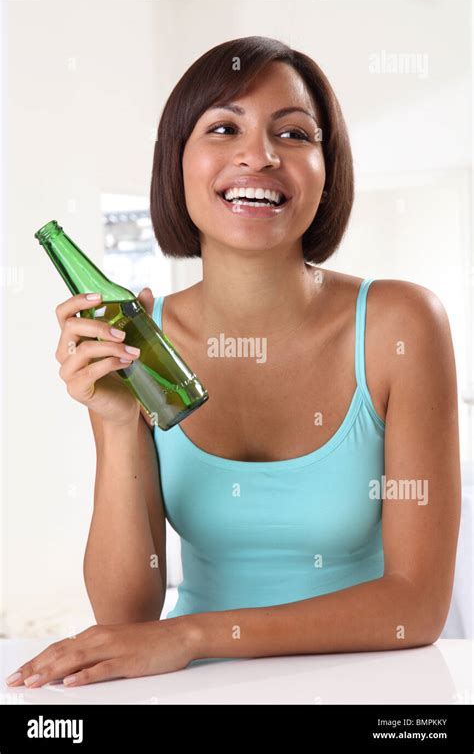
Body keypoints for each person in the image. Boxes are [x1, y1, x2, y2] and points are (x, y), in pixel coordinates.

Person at [6, 36, 461, 689]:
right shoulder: (140, 339)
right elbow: (127, 613)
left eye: (294, 134)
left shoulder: (401, 323)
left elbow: (415, 607)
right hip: (198, 685)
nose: (261, 155)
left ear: (327, 170)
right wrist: (114, 424)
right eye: (225, 128)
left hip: (367, 681)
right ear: (178, 165)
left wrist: (194, 636)